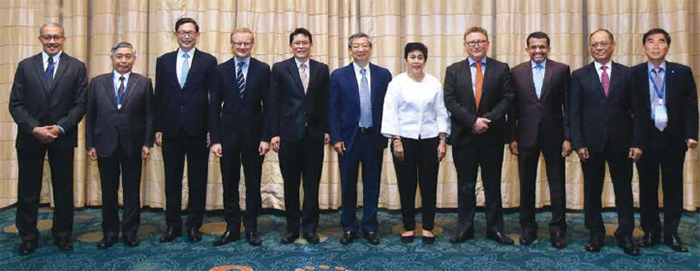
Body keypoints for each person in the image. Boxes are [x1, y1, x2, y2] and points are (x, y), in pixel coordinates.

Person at [9, 22, 87, 255]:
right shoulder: (25, 66)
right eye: (47, 37)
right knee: (28, 190)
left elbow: (80, 104)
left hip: (62, 137)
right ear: (40, 39)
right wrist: (35, 129)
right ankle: (28, 237)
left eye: (56, 37)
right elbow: (16, 104)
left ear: (64, 38)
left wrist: (59, 128)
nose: (52, 41)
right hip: (30, 137)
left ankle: (63, 235)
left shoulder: (77, 67)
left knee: (63, 189)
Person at [569, 29, 646, 256]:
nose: (599, 47)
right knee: (592, 191)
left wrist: (637, 142)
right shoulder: (579, 75)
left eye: (604, 43)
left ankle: (625, 234)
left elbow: (638, 112)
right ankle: (595, 232)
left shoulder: (627, 74)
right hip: (590, 145)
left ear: (613, 45)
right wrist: (578, 143)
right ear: (589, 48)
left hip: (622, 144)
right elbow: (574, 113)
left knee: (624, 191)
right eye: (595, 44)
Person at [443, 26, 515, 245]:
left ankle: (496, 229)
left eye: (480, 41)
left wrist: (486, 120)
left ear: (487, 43)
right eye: (471, 42)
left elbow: (508, 98)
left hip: (492, 136)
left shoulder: (501, 68)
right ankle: (465, 228)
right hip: (464, 136)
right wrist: (472, 121)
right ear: (465, 45)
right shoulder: (453, 70)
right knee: (466, 185)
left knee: (492, 184)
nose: (476, 45)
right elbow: (450, 100)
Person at [632, 28, 698, 253]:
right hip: (645, 139)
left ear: (668, 46)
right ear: (644, 47)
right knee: (647, 187)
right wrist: (634, 141)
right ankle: (650, 231)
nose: (655, 46)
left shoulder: (682, 72)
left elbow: (691, 106)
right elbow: (630, 111)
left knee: (673, 187)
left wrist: (691, 134)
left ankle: (671, 233)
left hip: (673, 138)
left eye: (661, 42)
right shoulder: (635, 73)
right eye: (650, 42)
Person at [86, 42, 155, 249]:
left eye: (127, 56)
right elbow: (90, 116)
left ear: (134, 59)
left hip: (133, 145)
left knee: (132, 191)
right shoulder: (97, 83)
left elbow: (150, 116)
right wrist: (90, 144)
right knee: (108, 191)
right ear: (112, 58)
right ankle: (110, 232)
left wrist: (147, 143)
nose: (123, 60)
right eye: (119, 56)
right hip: (104, 144)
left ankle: (131, 232)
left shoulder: (143, 83)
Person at [154, 17, 217, 244]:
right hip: (170, 130)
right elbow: (158, 97)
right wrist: (158, 128)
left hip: (198, 130)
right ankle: (173, 225)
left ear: (197, 35)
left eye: (191, 32)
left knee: (197, 180)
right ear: (176, 35)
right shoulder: (163, 61)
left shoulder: (209, 61)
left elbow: (214, 99)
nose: (187, 36)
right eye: (182, 32)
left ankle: (193, 225)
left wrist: (212, 129)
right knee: (172, 179)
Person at [507, 31, 571, 248]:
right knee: (526, 183)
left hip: (554, 136)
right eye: (533, 47)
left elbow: (568, 107)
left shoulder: (561, 70)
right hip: (525, 136)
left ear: (549, 48)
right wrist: (512, 138)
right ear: (527, 49)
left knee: (557, 184)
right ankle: (528, 227)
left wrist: (568, 138)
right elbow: (512, 109)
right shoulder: (516, 72)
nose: (538, 51)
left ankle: (558, 229)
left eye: (542, 47)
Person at [382, 42, 450, 244]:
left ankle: (428, 227)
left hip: (430, 141)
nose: (416, 61)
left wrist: (442, 140)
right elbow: (390, 112)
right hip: (403, 141)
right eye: (412, 57)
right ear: (406, 60)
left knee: (429, 185)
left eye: (420, 57)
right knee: (406, 185)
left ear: (425, 60)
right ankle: (409, 226)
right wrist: (396, 140)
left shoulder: (434, 83)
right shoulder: (397, 83)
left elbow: (441, 112)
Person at [209, 27, 271, 246]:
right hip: (227, 139)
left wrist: (266, 137)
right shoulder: (220, 70)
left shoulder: (263, 69)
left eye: (246, 43)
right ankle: (232, 227)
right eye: (238, 43)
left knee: (253, 184)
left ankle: (252, 228)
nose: (242, 47)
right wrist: (215, 140)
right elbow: (214, 107)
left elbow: (269, 106)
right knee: (229, 183)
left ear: (252, 44)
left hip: (255, 139)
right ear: (231, 44)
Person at [329, 33, 392, 245]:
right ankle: (348, 226)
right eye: (356, 46)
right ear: (350, 50)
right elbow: (333, 109)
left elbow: (389, 108)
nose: (360, 49)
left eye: (364, 45)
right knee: (348, 184)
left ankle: (370, 226)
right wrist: (336, 138)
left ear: (370, 48)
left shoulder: (383, 75)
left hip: (374, 138)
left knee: (372, 184)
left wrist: (389, 134)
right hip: (348, 139)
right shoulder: (339, 75)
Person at [268, 28, 330, 244]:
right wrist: (274, 133)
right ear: (291, 45)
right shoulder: (279, 68)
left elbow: (325, 103)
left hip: (314, 136)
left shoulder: (322, 69)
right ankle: (292, 228)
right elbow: (273, 103)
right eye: (297, 43)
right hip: (288, 136)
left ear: (311, 45)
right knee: (291, 185)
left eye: (305, 43)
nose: (301, 46)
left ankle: (310, 228)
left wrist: (327, 130)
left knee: (312, 185)